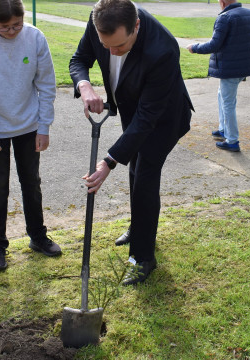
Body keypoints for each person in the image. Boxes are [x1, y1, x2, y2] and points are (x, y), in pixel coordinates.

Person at [69, 0, 193, 285]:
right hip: (132, 111)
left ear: (136, 26)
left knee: (145, 177)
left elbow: (148, 119)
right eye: (106, 45)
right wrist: (84, 85)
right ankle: (140, 227)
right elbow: (79, 60)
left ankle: (143, 257)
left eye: (120, 47)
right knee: (135, 171)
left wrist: (108, 161)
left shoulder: (162, 49)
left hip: (162, 120)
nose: (111, 53)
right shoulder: (100, 20)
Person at [0, 0, 61, 272]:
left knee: (31, 182)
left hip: (29, 125)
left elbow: (46, 84)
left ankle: (38, 236)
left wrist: (44, 126)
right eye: (5, 27)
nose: (12, 31)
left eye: (17, 25)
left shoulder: (35, 37)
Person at [186, 0, 250, 152]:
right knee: (222, 95)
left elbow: (214, 44)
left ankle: (232, 139)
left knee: (228, 103)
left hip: (230, 69)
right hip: (244, 67)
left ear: (222, 2)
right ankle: (223, 129)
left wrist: (194, 48)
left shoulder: (225, 17)